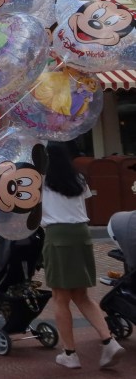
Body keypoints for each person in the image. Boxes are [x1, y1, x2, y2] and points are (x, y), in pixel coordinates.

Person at [42, 141, 124, 369]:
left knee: (60, 297)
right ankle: (109, 340)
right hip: (82, 234)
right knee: (82, 295)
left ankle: (70, 353)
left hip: (58, 236)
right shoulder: (78, 178)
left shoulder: (41, 181)